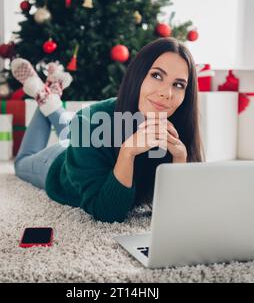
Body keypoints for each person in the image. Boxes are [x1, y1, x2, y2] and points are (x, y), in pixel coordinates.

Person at [13, 37, 204, 223]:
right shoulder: (89, 121)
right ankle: (45, 96)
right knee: (22, 162)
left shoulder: (177, 127)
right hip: (57, 164)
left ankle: (49, 98)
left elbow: (175, 209)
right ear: (137, 76)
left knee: (82, 129)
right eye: (156, 76)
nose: (166, 93)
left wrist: (180, 160)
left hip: (86, 139)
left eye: (178, 85)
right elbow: (107, 212)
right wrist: (128, 152)